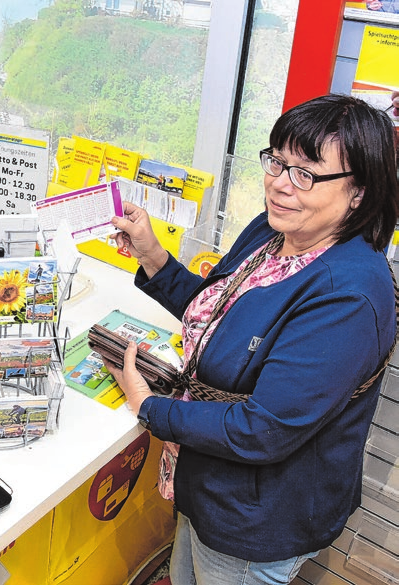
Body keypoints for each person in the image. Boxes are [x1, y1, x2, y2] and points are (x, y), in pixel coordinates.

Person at [107, 94, 398, 585]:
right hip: (208, 480)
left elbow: (262, 429)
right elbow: (219, 316)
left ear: (359, 193)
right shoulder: (273, 230)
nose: (281, 185)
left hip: (255, 515)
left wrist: (147, 405)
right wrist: (153, 256)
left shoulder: (347, 297)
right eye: (277, 162)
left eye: (306, 173)